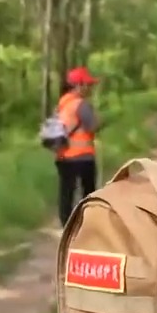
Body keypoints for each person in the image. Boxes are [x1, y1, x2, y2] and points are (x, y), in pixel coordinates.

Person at [54, 66, 101, 225]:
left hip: (63, 155)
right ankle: (88, 222)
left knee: (66, 192)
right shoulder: (81, 105)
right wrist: (99, 120)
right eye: (87, 84)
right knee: (88, 191)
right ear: (78, 85)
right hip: (83, 156)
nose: (89, 88)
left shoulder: (62, 104)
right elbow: (92, 126)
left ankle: (65, 223)